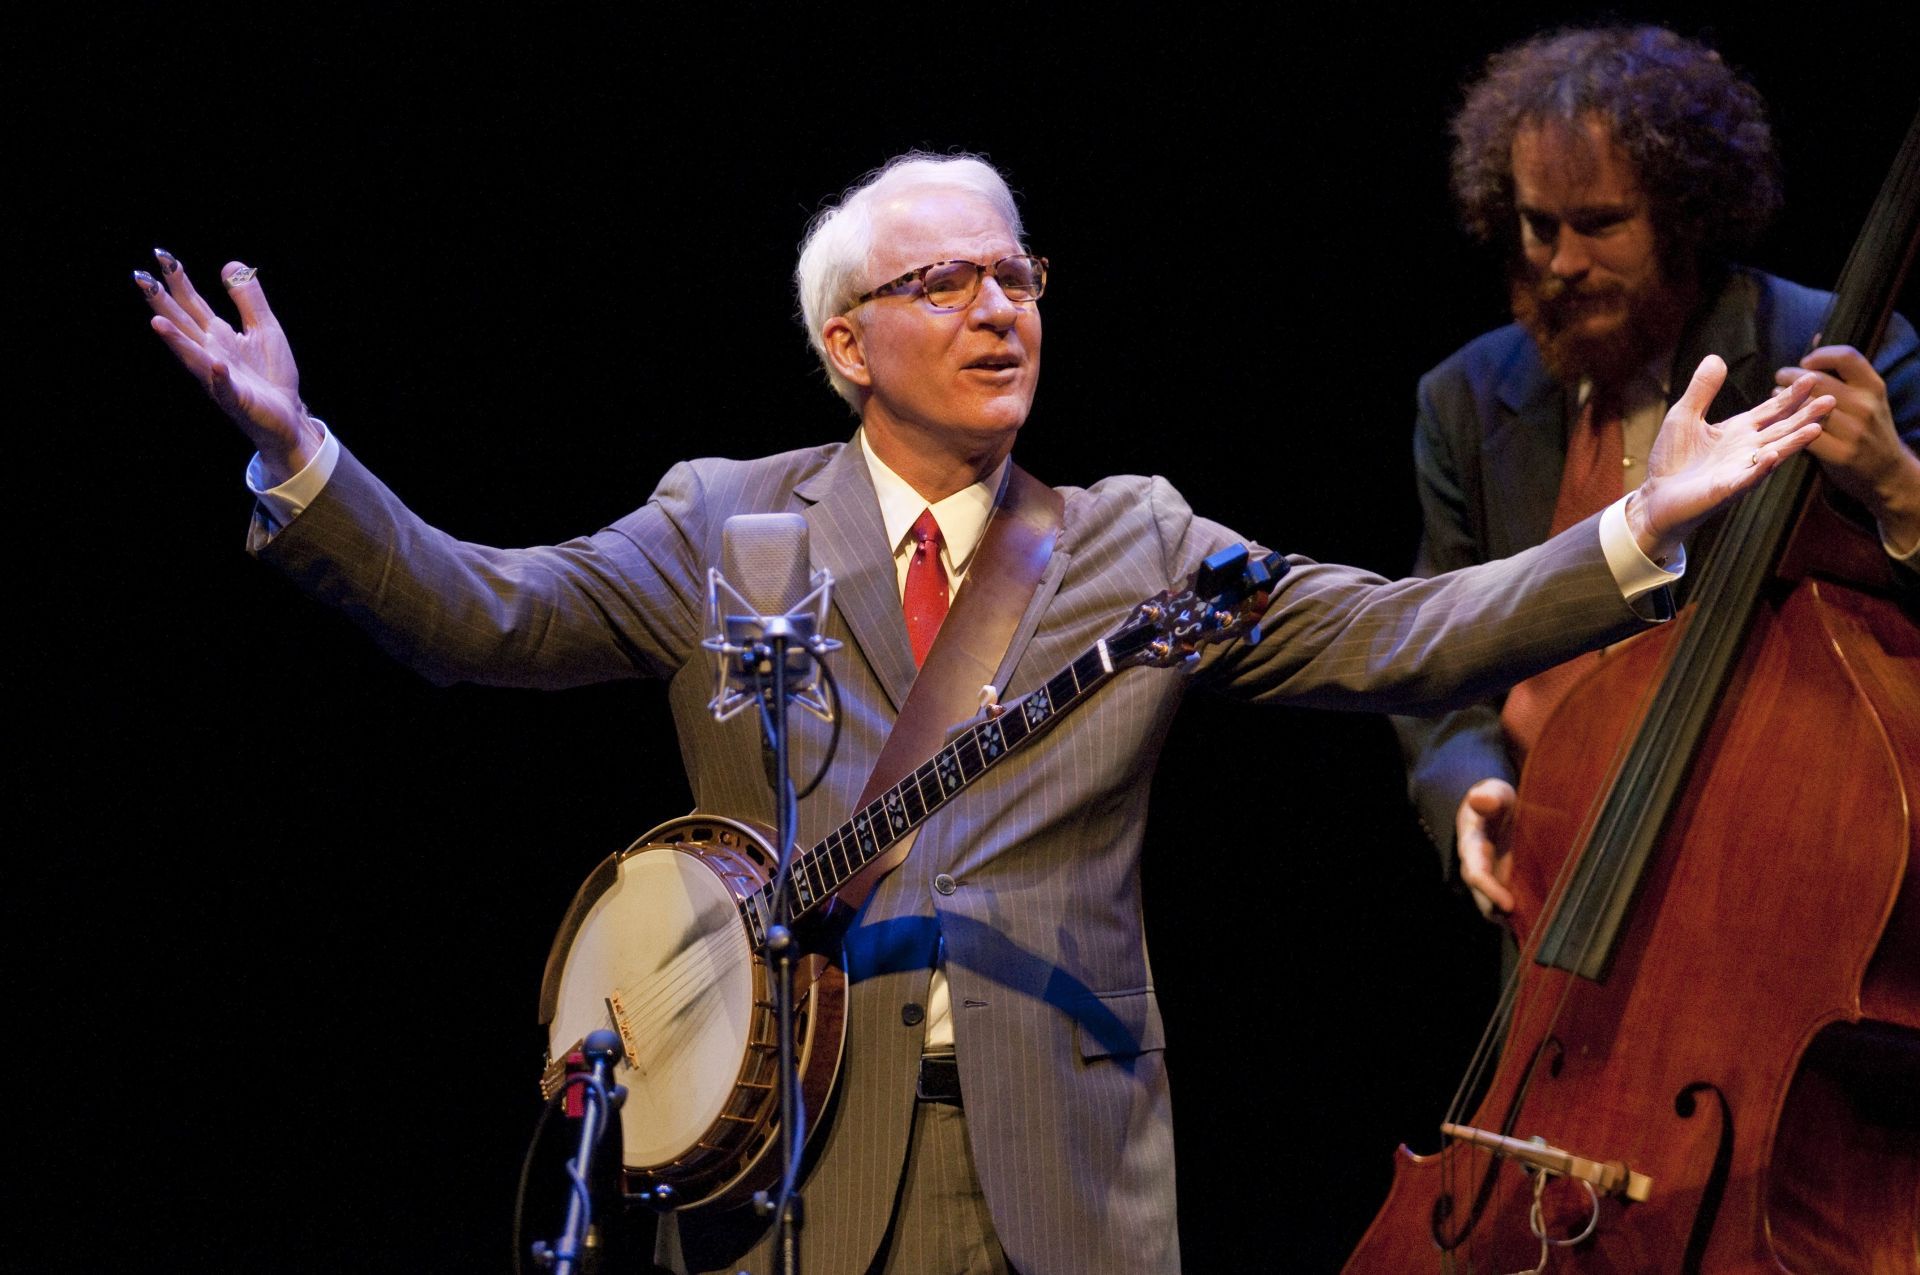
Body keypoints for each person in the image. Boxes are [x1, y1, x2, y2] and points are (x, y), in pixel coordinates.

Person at [135, 152, 1828, 1274]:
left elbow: (1398, 631)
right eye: (947, 283)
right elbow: (477, 616)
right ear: (846, 343)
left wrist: (1635, 531)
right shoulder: (721, 525)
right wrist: (301, 454)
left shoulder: (1138, 542)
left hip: (1060, 1161)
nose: (1000, 308)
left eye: (1016, 275)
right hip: (784, 1156)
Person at [1393, 26, 1920, 918]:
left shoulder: (1832, 349)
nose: (1561, 263)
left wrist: (1899, 486)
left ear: (1683, 212)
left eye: (1600, 224)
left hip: (1763, 879)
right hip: (1554, 886)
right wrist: (1467, 783)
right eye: (1538, 226)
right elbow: (1438, 644)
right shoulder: (1466, 398)